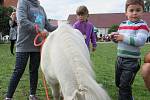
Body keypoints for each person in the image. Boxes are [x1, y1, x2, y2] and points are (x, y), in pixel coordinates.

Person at [5, 0, 57, 100]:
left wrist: (61, 27)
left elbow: (48, 26)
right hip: (23, 45)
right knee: (18, 71)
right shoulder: (23, 2)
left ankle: (32, 95)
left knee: (34, 71)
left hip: (37, 46)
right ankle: (8, 97)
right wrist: (40, 30)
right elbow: (22, 21)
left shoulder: (41, 8)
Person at [110, 0, 149, 99]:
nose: (134, 13)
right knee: (119, 83)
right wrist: (114, 38)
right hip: (119, 59)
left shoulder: (142, 25)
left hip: (131, 61)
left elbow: (140, 41)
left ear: (142, 12)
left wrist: (123, 37)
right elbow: (119, 39)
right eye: (131, 10)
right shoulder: (122, 24)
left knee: (124, 86)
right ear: (126, 13)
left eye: (138, 10)